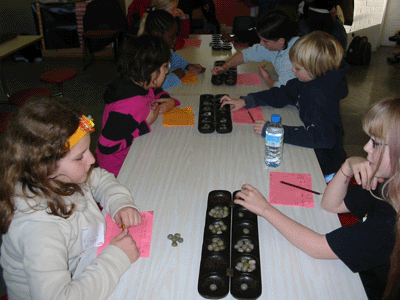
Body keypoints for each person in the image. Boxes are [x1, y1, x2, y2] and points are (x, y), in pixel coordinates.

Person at [234, 97, 400, 300]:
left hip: (363, 287)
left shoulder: (390, 220)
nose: (366, 148)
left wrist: (265, 209)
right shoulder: (385, 183)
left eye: (375, 143)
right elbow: (332, 205)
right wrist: (347, 166)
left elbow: (317, 249)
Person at [0, 97, 142, 299]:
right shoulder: (39, 227)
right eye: (80, 156)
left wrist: (120, 203)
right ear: (46, 167)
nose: (92, 159)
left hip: (84, 264)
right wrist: (117, 257)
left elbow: (100, 179)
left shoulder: (62, 176)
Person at [221, 30, 348, 180]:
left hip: (324, 165)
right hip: (314, 151)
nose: (292, 70)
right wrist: (247, 101)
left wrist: (274, 132)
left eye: (298, 68)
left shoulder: (320, 96)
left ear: (315, 70)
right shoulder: (309, 80)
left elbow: (322, 139)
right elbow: (283, 93)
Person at [96, 34, 179, 177]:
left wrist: (167, 99)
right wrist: (144, 126)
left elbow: (154, 90)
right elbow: (106, 146)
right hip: (119, 170)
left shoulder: (136, 82)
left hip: (135, 152)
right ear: (149, 70)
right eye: (165, 66)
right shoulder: (129, 105)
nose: (166, 71)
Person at [212, 9, 299, 88]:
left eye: (265, 41)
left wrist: (267, 78)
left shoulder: (292, 59)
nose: (261, 43)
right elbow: (248, 53)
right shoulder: (278, 42)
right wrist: (225, 66)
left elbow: (283, 91)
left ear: (281, 41)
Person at [142, 9, 206, 91]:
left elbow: (173, 58)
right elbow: (152, 86)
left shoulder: (163, 48)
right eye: (172, 36)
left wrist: (187, 66)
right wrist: (175, 76)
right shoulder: (147, 54)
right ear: (157, 34)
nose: (176, 39)